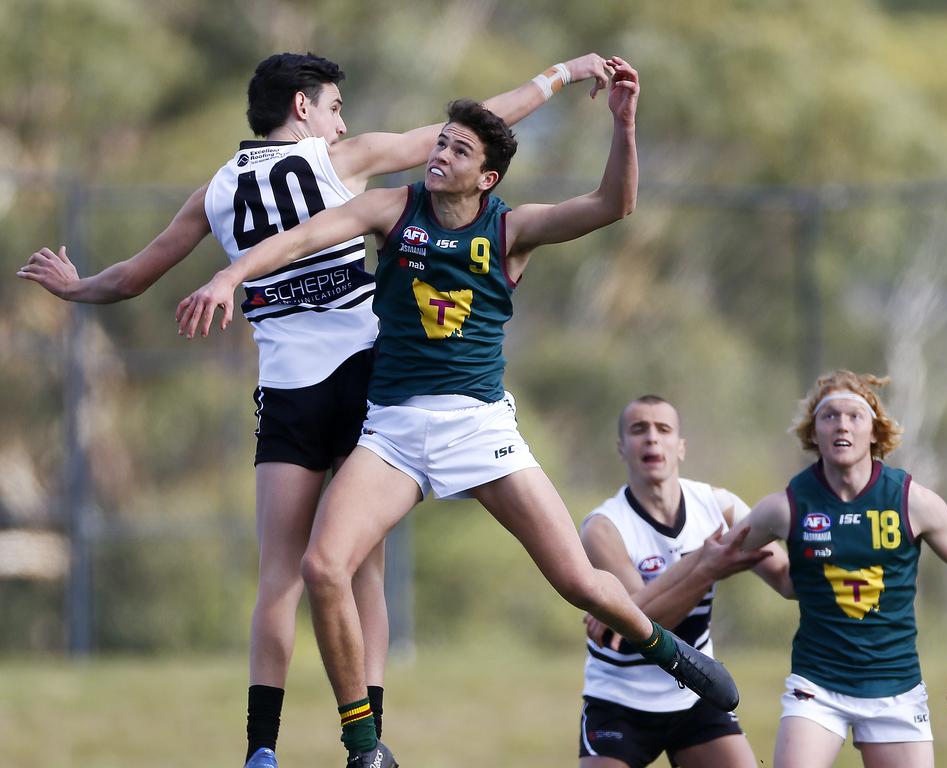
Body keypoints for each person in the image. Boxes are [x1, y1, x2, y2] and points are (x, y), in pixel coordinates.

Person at [17, 50, 615, 768]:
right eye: (334, 107)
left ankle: (261, 751)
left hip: (291, 387)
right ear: (302, 108)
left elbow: (131, 278)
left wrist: (76, 287)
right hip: (369, 371)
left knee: (282, 575)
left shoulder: (213, 191)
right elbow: (476, 125)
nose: (342, 122)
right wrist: (562, 74)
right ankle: (369, 743)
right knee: (361, 569)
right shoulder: (341, 160)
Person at [176, 58, 738, 768]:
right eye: (440, 142)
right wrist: (229, 274)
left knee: (575, 583)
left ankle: (667, 650)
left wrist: (623, 126)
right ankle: (364, 749)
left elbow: (611, 205)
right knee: (323, 567)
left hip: (481, 430)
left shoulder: (512, 230)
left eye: (459, 151)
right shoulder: (390, 209)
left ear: (487, 178)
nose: (440, 155)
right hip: (395, 433)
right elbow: (301, 238)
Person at [730, 370, 947, 768]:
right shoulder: (786, 506)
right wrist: (638, 612)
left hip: (896, 687)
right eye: (830, 416)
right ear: (813, 434)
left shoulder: (911, 501)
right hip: (817, 688)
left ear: (874, 432)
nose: (842, 424)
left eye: (855, 416)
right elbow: (712, 560)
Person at [577, 394, 792, 768]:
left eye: (663, 429)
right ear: (621, 447)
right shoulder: (603, 528)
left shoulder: (718, 506)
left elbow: (788, 581)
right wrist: (705, 567)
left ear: (681, 447)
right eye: (638, 429)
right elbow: (638, 628)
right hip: (620, 699)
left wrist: (827, 526)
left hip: (696, 690)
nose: (652, 439)